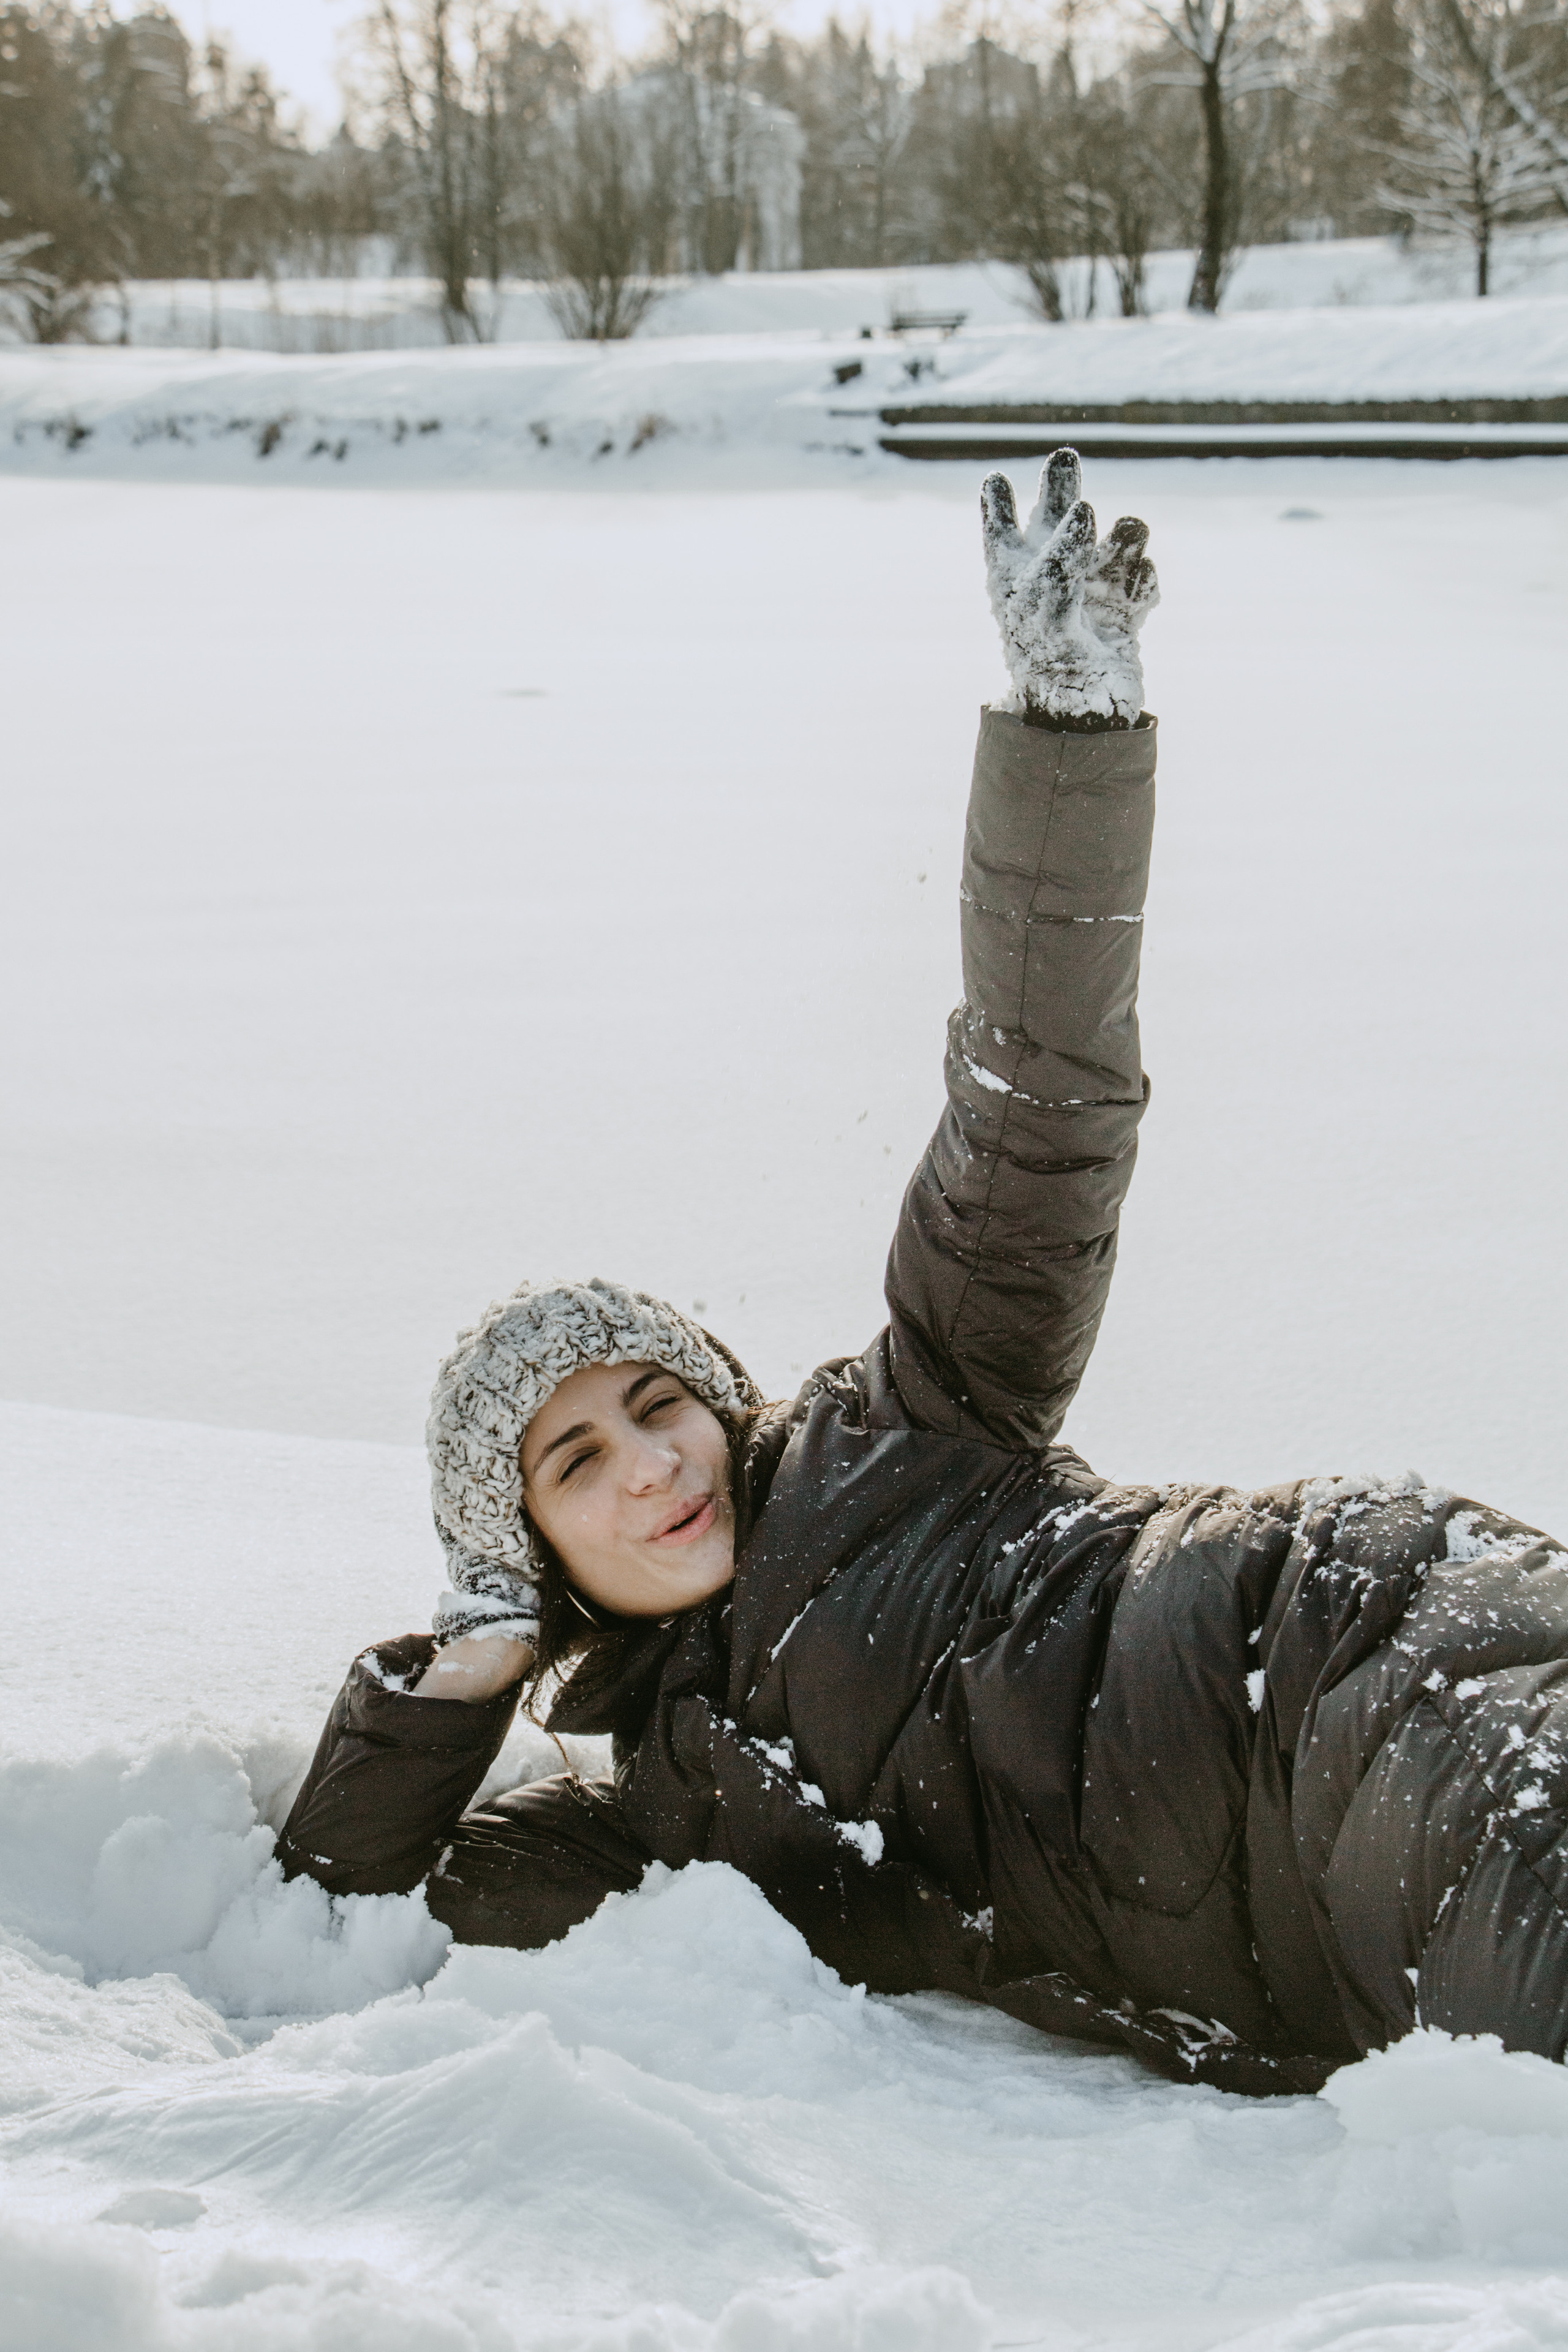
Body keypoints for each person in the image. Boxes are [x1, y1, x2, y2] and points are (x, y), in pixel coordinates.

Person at [281, 451, 1568, 2096]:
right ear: (522, 1548)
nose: (655, 1461)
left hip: (1356, 1671)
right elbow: (346, 1911)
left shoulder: (904, 1418)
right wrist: (467, 1661)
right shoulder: (644, 1825)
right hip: (1324, 1937)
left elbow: (1041, 1109)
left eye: (660, 1401)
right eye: (575, 1460)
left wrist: (1070, 736)